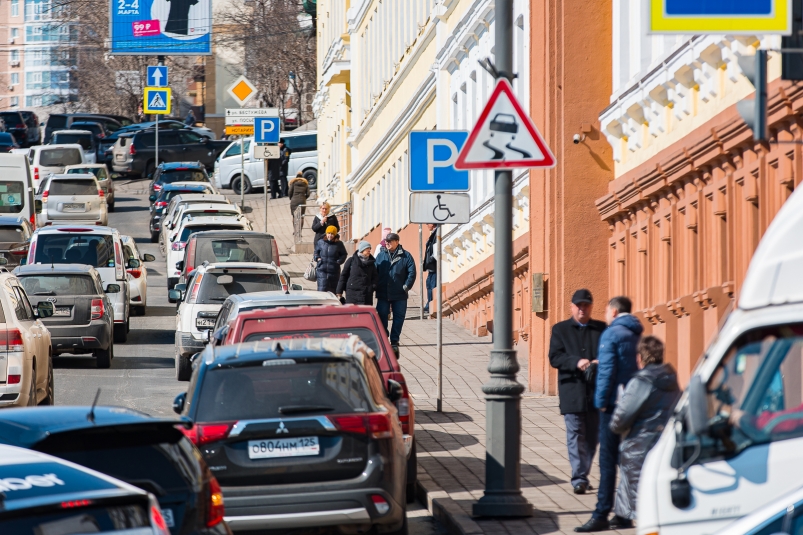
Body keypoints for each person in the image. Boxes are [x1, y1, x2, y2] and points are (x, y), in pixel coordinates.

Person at [575, 296, 643, 532]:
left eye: (606, 310)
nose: (604, 314)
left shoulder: (611, 334)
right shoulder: (635, 332)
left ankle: (601, 513)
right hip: (632, 403)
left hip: (613, 404)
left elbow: (606, 371)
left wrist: (601, 403)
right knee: (624, 459)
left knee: (607, 461)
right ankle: (624, 514)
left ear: (613, 311)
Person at [610, 336, 679, 525]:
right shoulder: (670, 378)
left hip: (640, 445)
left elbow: (620, 417)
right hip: (663, 442)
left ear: (640, 357)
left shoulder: (642, 381)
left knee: (642, 499)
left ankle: (633, 519)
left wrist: (618, 422)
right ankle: (622, 517)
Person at [548, 289, 607, 495]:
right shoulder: (560, 330)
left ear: (591, 307)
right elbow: (555, 357)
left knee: (592, 438)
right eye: (578, 305)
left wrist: (599, 362)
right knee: (575, 434)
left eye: (586, 305)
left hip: (596, 393)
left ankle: (583, 473)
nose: (582, 309)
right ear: (572, 307)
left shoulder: (601, 329)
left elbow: (609, 353)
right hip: (572, 392)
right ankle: (579, 477)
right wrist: (576, 362)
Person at [375, 233, 416, 354]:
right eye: (386, 241)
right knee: (382, 315)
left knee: (399, 317)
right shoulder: (381, 255)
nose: (387, 243)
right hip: (383, 292)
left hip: (399, 293)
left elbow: (412, 272)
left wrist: (406, 286)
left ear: (397, 242)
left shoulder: (406, 256)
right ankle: (384, 336)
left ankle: (394, 340)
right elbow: (375, 271)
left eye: (390, 241)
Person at [336, 240, 378, 305]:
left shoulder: (371, 263)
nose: (369, 250)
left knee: (364, 313)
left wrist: (372, 287)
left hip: (366, 294)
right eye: (367, 248)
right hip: (352, 293)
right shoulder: (351, 261)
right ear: (362, 249)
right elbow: (343, 276)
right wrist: (339, 291)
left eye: (369, 249)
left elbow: (375, 276)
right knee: (352, 313)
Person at [313, 226, 347, 293]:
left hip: (334, 271)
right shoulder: (320, 242)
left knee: (332, 292)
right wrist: (317, 258)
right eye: (328, 233)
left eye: (332, 234)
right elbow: (316, 252)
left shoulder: (339, 244)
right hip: (321, 270)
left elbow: (344, 254)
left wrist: (339, 262)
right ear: (326, 233)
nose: (330, 235)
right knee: (322, 291)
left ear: (335, 235)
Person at [423, 224, 438, 314]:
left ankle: (430, 305)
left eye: (427, 223)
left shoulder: (437, 233)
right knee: (429, 285)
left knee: (432, 286)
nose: (427, 225)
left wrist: (431, 259)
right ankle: (429, 304)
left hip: (434, 265)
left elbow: (435, 249)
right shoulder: (434, 233)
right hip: (431, 266)